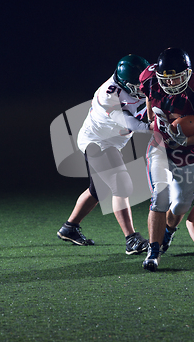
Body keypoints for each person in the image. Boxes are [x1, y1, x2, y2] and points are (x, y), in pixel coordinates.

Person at [57, 54, 152, 255]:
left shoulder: (133, 81)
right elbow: (131, 123)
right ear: (125, 83)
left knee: (98, 189)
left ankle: (69, 228)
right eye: (138, 84)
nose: (142, 87)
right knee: (121, 185)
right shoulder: (108, 96)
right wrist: (154, 126)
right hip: (97, 142)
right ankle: (131, 239)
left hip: (110, 141)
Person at [139, 47, 194, 271]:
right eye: (166, 78)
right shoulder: (149, 79)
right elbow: (150, 99)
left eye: (176, 77)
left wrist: (187, 140)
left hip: (189, 153)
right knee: (161, 196)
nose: (171, 83)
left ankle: (168, 231)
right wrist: (152, 121)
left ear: (188, 73)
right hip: (160, 147)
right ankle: (153, 251)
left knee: (181, 205)